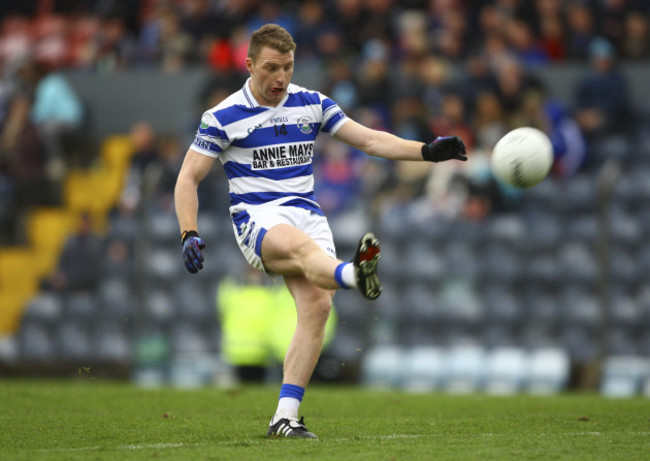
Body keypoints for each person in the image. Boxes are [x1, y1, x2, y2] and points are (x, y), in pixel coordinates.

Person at [174, 24, 466, 439]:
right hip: (258, 218)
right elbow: (187, 179)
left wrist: (426, 152)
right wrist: (189, 231)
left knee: (317, 307)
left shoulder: (312, 103)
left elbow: (367, 140)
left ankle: (285, 417)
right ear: (250, 64)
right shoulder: (222, 117)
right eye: (271, 68)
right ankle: (353, 274)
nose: (280, 78)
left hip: (307, 213)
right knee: (299, 249)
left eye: (288, 67)